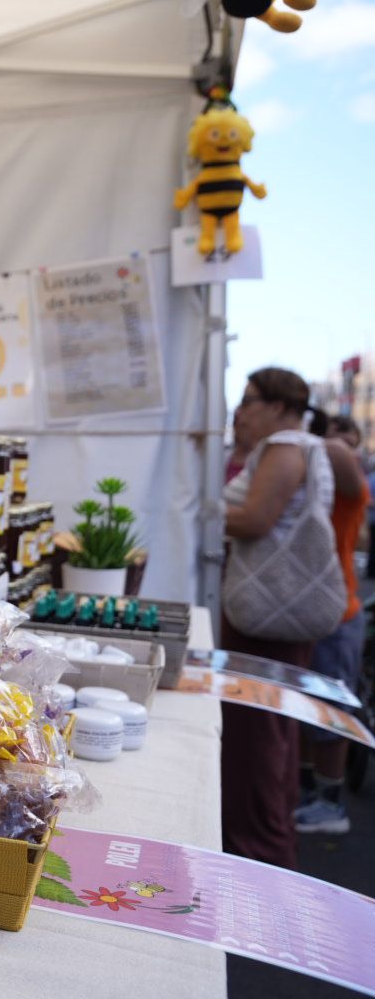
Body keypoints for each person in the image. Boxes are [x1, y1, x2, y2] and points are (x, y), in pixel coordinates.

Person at [220, 367, 338, 867]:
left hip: (267, 615)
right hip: (279, 611)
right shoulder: (311, 447)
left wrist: (196, 509)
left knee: (258, 737)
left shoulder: (285, 448)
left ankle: (257, 850)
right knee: (275, 731)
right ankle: (267, 840)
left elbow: (254, 519)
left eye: (249, 400)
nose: (241, 412)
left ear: (279, 404)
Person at [296, 413, 369, 835]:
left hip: (338, 613)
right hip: (317, 613)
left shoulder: (343, 479)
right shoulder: (319, 487)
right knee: (309, 712)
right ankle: (311, 794)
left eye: (353, 443)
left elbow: (338, 455)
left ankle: (331, 804)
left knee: (331, 713)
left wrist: (320, 442)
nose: (348, 451)